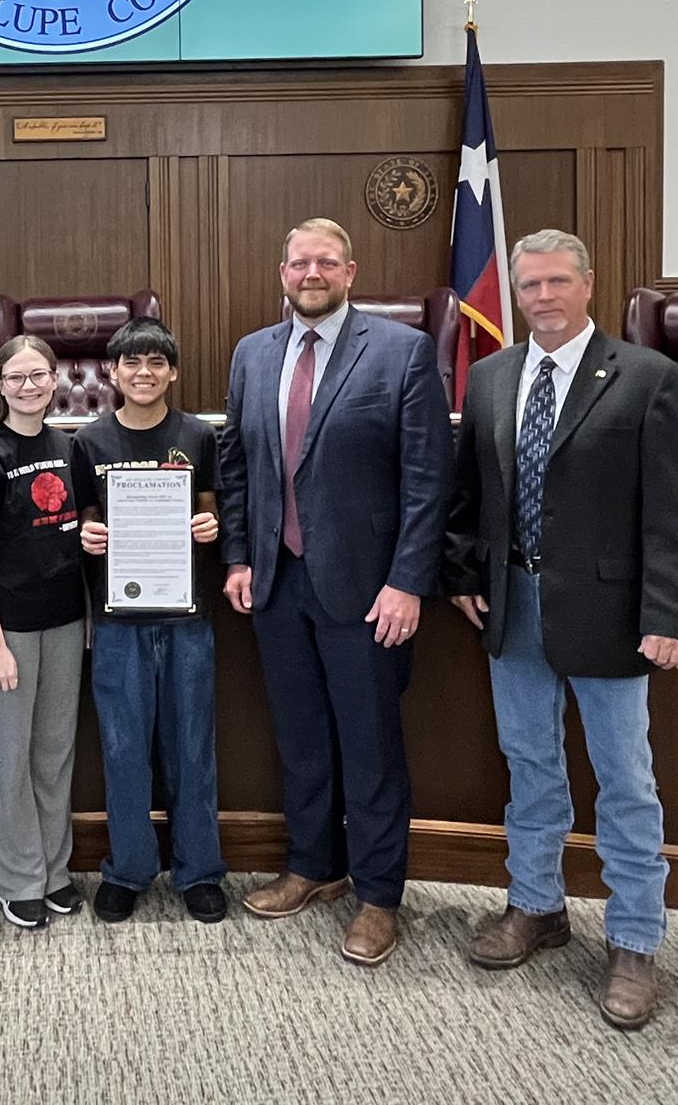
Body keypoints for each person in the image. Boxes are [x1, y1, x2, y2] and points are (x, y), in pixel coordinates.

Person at [444, 228, 678, 1030]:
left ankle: (634, 938)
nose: (543, 297)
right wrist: (461, 576)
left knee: (623, 779)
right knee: (530, 764)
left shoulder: (646, 379)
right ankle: (536, 906)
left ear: (589, 285)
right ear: (514, 294)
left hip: (612, 615)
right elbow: (469, 493)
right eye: (530, 286)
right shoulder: (489, 376)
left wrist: (668, 614)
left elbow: (674, 512)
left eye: (558, 282)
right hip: (511, 604)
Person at [218, 217, 452, 968]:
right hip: (277, 583)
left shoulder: (402, 352)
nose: (310, 273)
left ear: (351, 272)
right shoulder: (253, 352)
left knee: (372, 747)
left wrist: (408, 581)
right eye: (298, 262)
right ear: (281, 272)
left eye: (325, 262)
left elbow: (427, 480)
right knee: (301, 740)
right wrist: (238, 558)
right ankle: (314, 865)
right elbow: (236, 467)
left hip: (367, 591)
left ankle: (380, 894)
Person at [72, 316, 228, 924]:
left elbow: (211, 509)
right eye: (132, 363)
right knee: (123, 746)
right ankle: (129, 868)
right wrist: (87, 534)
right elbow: (84, 518)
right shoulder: (88, 442)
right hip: (118, 621)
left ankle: (199, 871)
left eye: (156, 364)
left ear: (174, 373)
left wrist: (209, 529)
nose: (144, 374)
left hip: (187, 616)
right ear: (113, 372)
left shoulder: (197, 436)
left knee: (191, 746)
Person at [0, 335, 86, 929]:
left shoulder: (69, 445)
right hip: (8, 627)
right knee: (9, 757)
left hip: (65, 621)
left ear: (55, 380)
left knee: (54, 755)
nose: (30, 386)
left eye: (39, 376)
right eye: (17, 378)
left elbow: (77, 536)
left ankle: (55, 870)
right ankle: (17, 878)